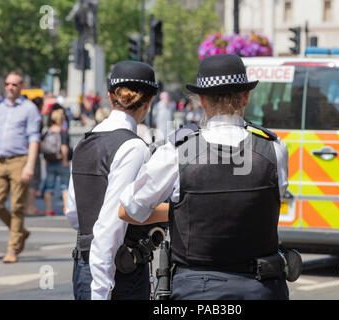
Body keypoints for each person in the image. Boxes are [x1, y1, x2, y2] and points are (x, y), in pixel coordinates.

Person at [118, 54, 290, 300]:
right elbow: (271, 197)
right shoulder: (274, 148)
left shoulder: (177, 150)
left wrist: (182, 210)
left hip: (197, 289)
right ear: (246, 97)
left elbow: (130, 209)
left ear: (201, 100)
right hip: (262, 286)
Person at [66, 61, 166, 300]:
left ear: (110, 97)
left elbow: (73, 213)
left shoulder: (84, 142)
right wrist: (101, 290)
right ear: (149, 102)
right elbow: (112, 223)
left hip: (85, 265)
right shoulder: (133, 147)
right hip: (117, 272)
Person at [0, 70, 42, 263]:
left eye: (14, 84)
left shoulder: (29, 109)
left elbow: (34, 139)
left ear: (21, 86)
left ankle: (13, 248)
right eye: (8, 84)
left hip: (20, 160)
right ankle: (20, 232)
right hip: (0, 160)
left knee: (17, 206)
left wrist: (30, 165)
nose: (10, 87)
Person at [41, 109, 70, 216]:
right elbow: (64, 147)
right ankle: (66, 208)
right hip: (61, 161)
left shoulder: (47, 131)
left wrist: (46, 158)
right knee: (65, 186)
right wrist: (65, 160)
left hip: (49, 161)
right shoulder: (62, 132)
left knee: (49, 186)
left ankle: (48, 209)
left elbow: (42, 146)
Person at [25, 96, 44, 216]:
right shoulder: (37, 117)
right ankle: (31, 206)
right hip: (33, 150)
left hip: (23, 149)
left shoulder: (27, 115)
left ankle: (25, 205)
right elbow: (37, 138)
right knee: (33, 178)